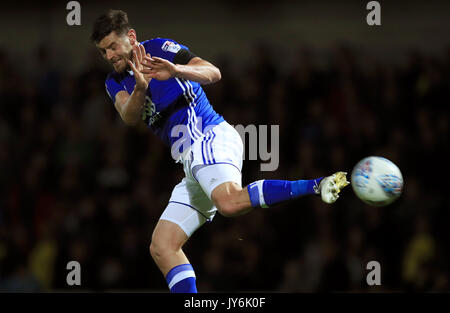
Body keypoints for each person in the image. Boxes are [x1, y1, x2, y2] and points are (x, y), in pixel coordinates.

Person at [91, 9, 349, 293]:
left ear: (130, 37)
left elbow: (213, 72)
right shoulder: (114, 82)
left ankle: (318, 185)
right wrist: (141, 88)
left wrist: (177, 71)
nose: (110, 55)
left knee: (229, 203)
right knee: (162, 246)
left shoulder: (159, 49)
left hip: (210, 136)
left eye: (113, 46)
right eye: (103, 52)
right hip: (191, 159)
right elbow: (128, 116)